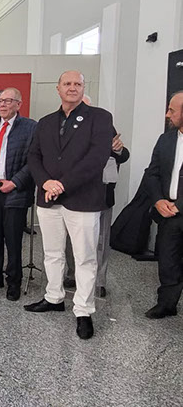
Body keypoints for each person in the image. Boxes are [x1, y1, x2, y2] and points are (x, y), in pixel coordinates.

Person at [25, 70, 113, 340]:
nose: (72, 87)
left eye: (77, 83)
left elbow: (97, 158)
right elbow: (33, 156)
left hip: (82, 199)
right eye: (67, 83)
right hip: (48, 198)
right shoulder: (46, 122)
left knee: (85, 257)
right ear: (58, 88)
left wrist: (62, 184)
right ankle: (53, 297)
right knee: (52, 253)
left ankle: (83, 310)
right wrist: (45, 182)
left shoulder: (100, 117)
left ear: (83, 87)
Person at [64, 95, 130, 298]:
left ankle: (99, 281)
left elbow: (123, 154)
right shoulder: (63, 128)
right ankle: (72, 273)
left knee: (100, 239)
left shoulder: (104, 125)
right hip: (73, 192)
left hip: (102, 193)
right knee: (71, 238)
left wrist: (118, 150)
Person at [0, 88, 37, 301]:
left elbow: (34, 161)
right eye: (0, 101)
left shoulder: (31, 128)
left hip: (15, 191)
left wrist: (15, 182)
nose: (2, 104)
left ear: (19, 104)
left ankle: (13, 282)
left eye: (8, 101)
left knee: (13, 239)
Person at [143, 90, 183, 319]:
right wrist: (158, 200)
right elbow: (152, 173)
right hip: (168, 212)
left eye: (172, 110)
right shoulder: (165, 139)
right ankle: (167, 304)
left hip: (179, 208)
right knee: (168, 260)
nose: (167, 114)